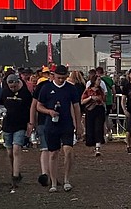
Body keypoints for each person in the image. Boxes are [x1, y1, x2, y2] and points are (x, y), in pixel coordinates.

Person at [37, 65, 81, 193]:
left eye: (63, 78)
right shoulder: (46, 88)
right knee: (53, 153)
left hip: (66, 124)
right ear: (53, 76)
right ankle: (54, 182)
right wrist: (49, 111)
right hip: (51, 125)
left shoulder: (71, 89)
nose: (61, 80)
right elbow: (39, 106)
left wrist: (78, 125)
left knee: (68, 151)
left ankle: (67, 179)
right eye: (59, 78)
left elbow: (76, 107)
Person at [0, 73, 33, 189]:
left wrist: (30, 123)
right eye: (10, 87)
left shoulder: (25, 94)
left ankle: (15, 177)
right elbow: (0, 104)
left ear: (17, 82)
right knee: (10, 152)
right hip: (8, 124)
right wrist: (0, 110)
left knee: (16, 149)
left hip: (20, 124)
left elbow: (31, 108)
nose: (12, 89)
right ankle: (15, 170)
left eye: (14, 86)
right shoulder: (5, 92)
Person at [30, 67, 53, 187]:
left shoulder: (65, 86)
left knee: (53, 150)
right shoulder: (42, 86)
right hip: (44, 122)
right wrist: (32, 122)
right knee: (46, 149)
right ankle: (46, 175)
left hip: (54, 122)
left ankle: (50, 175)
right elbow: (34, 105)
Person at [81, 74, 106, 156]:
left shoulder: (101, 90)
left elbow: (103, 99)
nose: (100, 82)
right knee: (90, 127)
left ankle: (98, 146)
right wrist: (91, 98)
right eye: (98, 80)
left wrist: (100, 101)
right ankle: (93, 145)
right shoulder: (88, 90)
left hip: (99, 110)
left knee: (98, 127)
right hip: (90, 110)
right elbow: (82, 101)